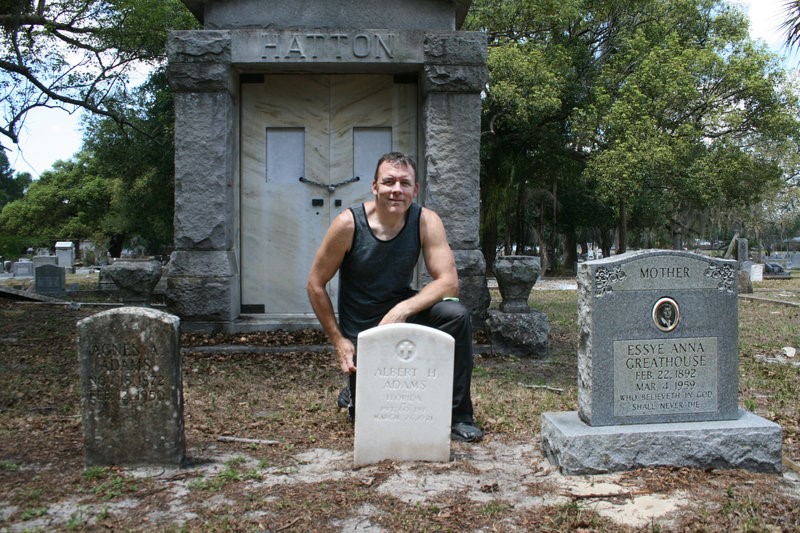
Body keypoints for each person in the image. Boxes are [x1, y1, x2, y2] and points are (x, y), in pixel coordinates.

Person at [306, 152, 483, 442]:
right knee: (363, 417)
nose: (396, 190)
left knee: (457, 316)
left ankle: (459, 415)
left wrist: (402, 310)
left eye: (405, 183)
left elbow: (449, 282)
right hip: (363, 326)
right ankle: (354, 387)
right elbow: (315, 284)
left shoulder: (425, 221)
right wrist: (339, 341)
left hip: (401, 312)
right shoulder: (348, 225)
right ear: (375, 187)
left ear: (415, 190)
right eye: (389, 182)